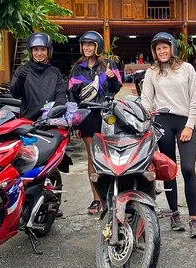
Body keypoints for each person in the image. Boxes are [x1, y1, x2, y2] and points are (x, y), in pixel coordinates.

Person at [140, 32, 196, 238]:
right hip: (162, 123)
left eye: (165, 47)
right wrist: (146, 119)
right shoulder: (152, 72)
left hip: (184, 122)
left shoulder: (187, 69)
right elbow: (146, 100)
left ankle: (193, 218)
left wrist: (190, 125)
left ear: (172, 48)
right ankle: (174, 213)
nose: (162, 51)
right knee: (169, 170)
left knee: (188, 168)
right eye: (158, 49)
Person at [67, 31, 121, 215]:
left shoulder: (108, 64)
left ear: (98, 46)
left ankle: (113, 196)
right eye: (84, 44)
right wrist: (75, 123)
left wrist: (112, 78)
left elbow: (116, 88)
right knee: (93, 156)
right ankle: (97, 199)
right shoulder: (78, 67)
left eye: (90, 44)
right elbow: (72, 96)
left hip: (106, 114)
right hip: (87, 116)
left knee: (110, 157)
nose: (87, 48)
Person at [10, 32, 67, 121]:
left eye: (43, 49)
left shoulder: (55, 72)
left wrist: (56, 109)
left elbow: (61, 94)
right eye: (36, 50)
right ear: (31, 52)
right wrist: (20, 79)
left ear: (48, 51)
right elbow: (15, 94)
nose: (39, 53)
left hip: (49, 121)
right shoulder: (22, 70)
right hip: (27, 121)